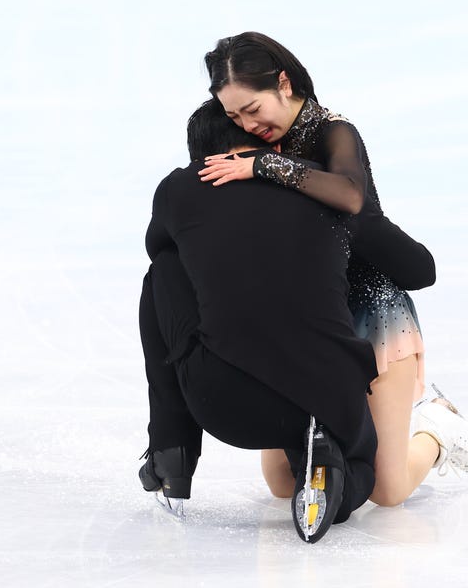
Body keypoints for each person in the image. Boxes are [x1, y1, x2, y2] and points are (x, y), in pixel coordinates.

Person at [200, 31, 468, 504]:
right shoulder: (254, 146)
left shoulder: (333, 132)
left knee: (386, 491)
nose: (247, 124)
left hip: (372, 313)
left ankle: (436, 428)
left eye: (252, 108)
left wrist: (264, 166)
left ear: (283, 83)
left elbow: (349, 196)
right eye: (234, 116)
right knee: (283, 483)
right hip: (303, 321)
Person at [138, 97, 379, 543]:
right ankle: (330, 463)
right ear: (275, 148)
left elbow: (159, 245)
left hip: (224, 402)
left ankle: (172, 451)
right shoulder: (325, 190)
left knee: (165, 270)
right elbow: (420, 268)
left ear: (203, 156)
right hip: (330, 395)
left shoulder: (180, 187)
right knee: (360, 462)